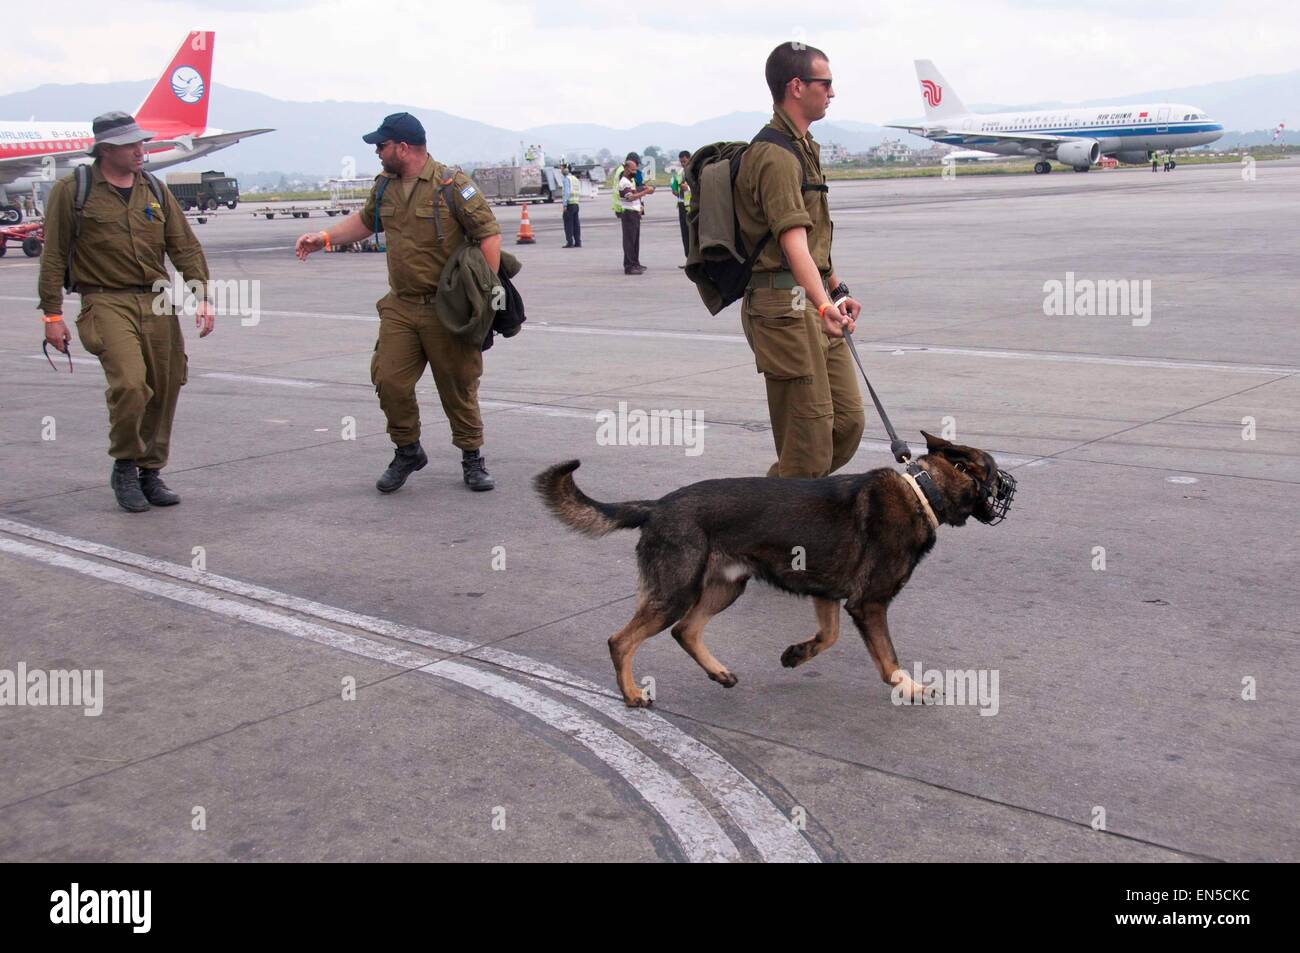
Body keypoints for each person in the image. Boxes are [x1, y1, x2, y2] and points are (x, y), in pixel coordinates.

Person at [294, 112, 502, 494]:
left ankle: (472, 458)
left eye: (381, 145)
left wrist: (485, 300)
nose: (377, 152)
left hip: (447, 308)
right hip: (402, 305)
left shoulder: (452, 184)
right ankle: (408, 449)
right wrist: (324, 237)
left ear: (403, 148)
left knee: (457, 386)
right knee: (389, 380)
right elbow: (365, 221)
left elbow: (488, 235)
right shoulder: (385, 186)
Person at [38, 110, 215, 512]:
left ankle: (151, 471)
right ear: (106, 150)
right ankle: (124, 464)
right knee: (131, 385)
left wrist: (201, 295)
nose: (141, 150)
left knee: (166, 385)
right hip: (105, 299)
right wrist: (52, 314)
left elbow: (183, 245)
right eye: (131, 145)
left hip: (156, 300)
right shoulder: (73, 191)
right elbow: (53, 256)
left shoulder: (153, 187)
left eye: (142, 142)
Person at [734, 43, 864, 479]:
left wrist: (836, 293)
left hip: (811, 300)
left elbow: (815, 243)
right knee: (807, 446)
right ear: (796, 86)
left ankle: (776, 505)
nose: (832, 92)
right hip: (782, 310)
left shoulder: (805, 146)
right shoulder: (774, 156)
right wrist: (824, 305)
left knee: (846, 424)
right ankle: (780, 534)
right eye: (825, 83)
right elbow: (792, 245)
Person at [618, 153, 654, 275]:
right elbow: (630, 197)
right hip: (628, 214)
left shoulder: (630, 180)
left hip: (634, 213)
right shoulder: (624, 182)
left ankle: (635, 263)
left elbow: (636, 192)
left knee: (634, 240)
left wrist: (646, 190)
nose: (635, 171)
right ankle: (629, 266)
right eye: (633, 170)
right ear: (627, 169)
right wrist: (644, 192)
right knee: (629, 241)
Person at [670, 150, 692, 260]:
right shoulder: (679, 173)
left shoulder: (694, 171)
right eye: (681, 162)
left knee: (692, 233)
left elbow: (699, 187)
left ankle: (694, 258)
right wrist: (675, 190)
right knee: (685, 234)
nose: (683, 164)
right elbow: (675, 186)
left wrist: (688, 188)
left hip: (691, 207)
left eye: (684, 161)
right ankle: (688, 257)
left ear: (689, 159)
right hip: (681, 205)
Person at [561, 164, 581, 248]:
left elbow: (567, 192)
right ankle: (578, 242)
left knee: (568, 224)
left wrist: (564, 204)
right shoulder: (575, 179)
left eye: (562, 169)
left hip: (569, 204)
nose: (561, 170)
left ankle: (569, 242)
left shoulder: (566, 179)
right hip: (576, 203)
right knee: (576, 224)